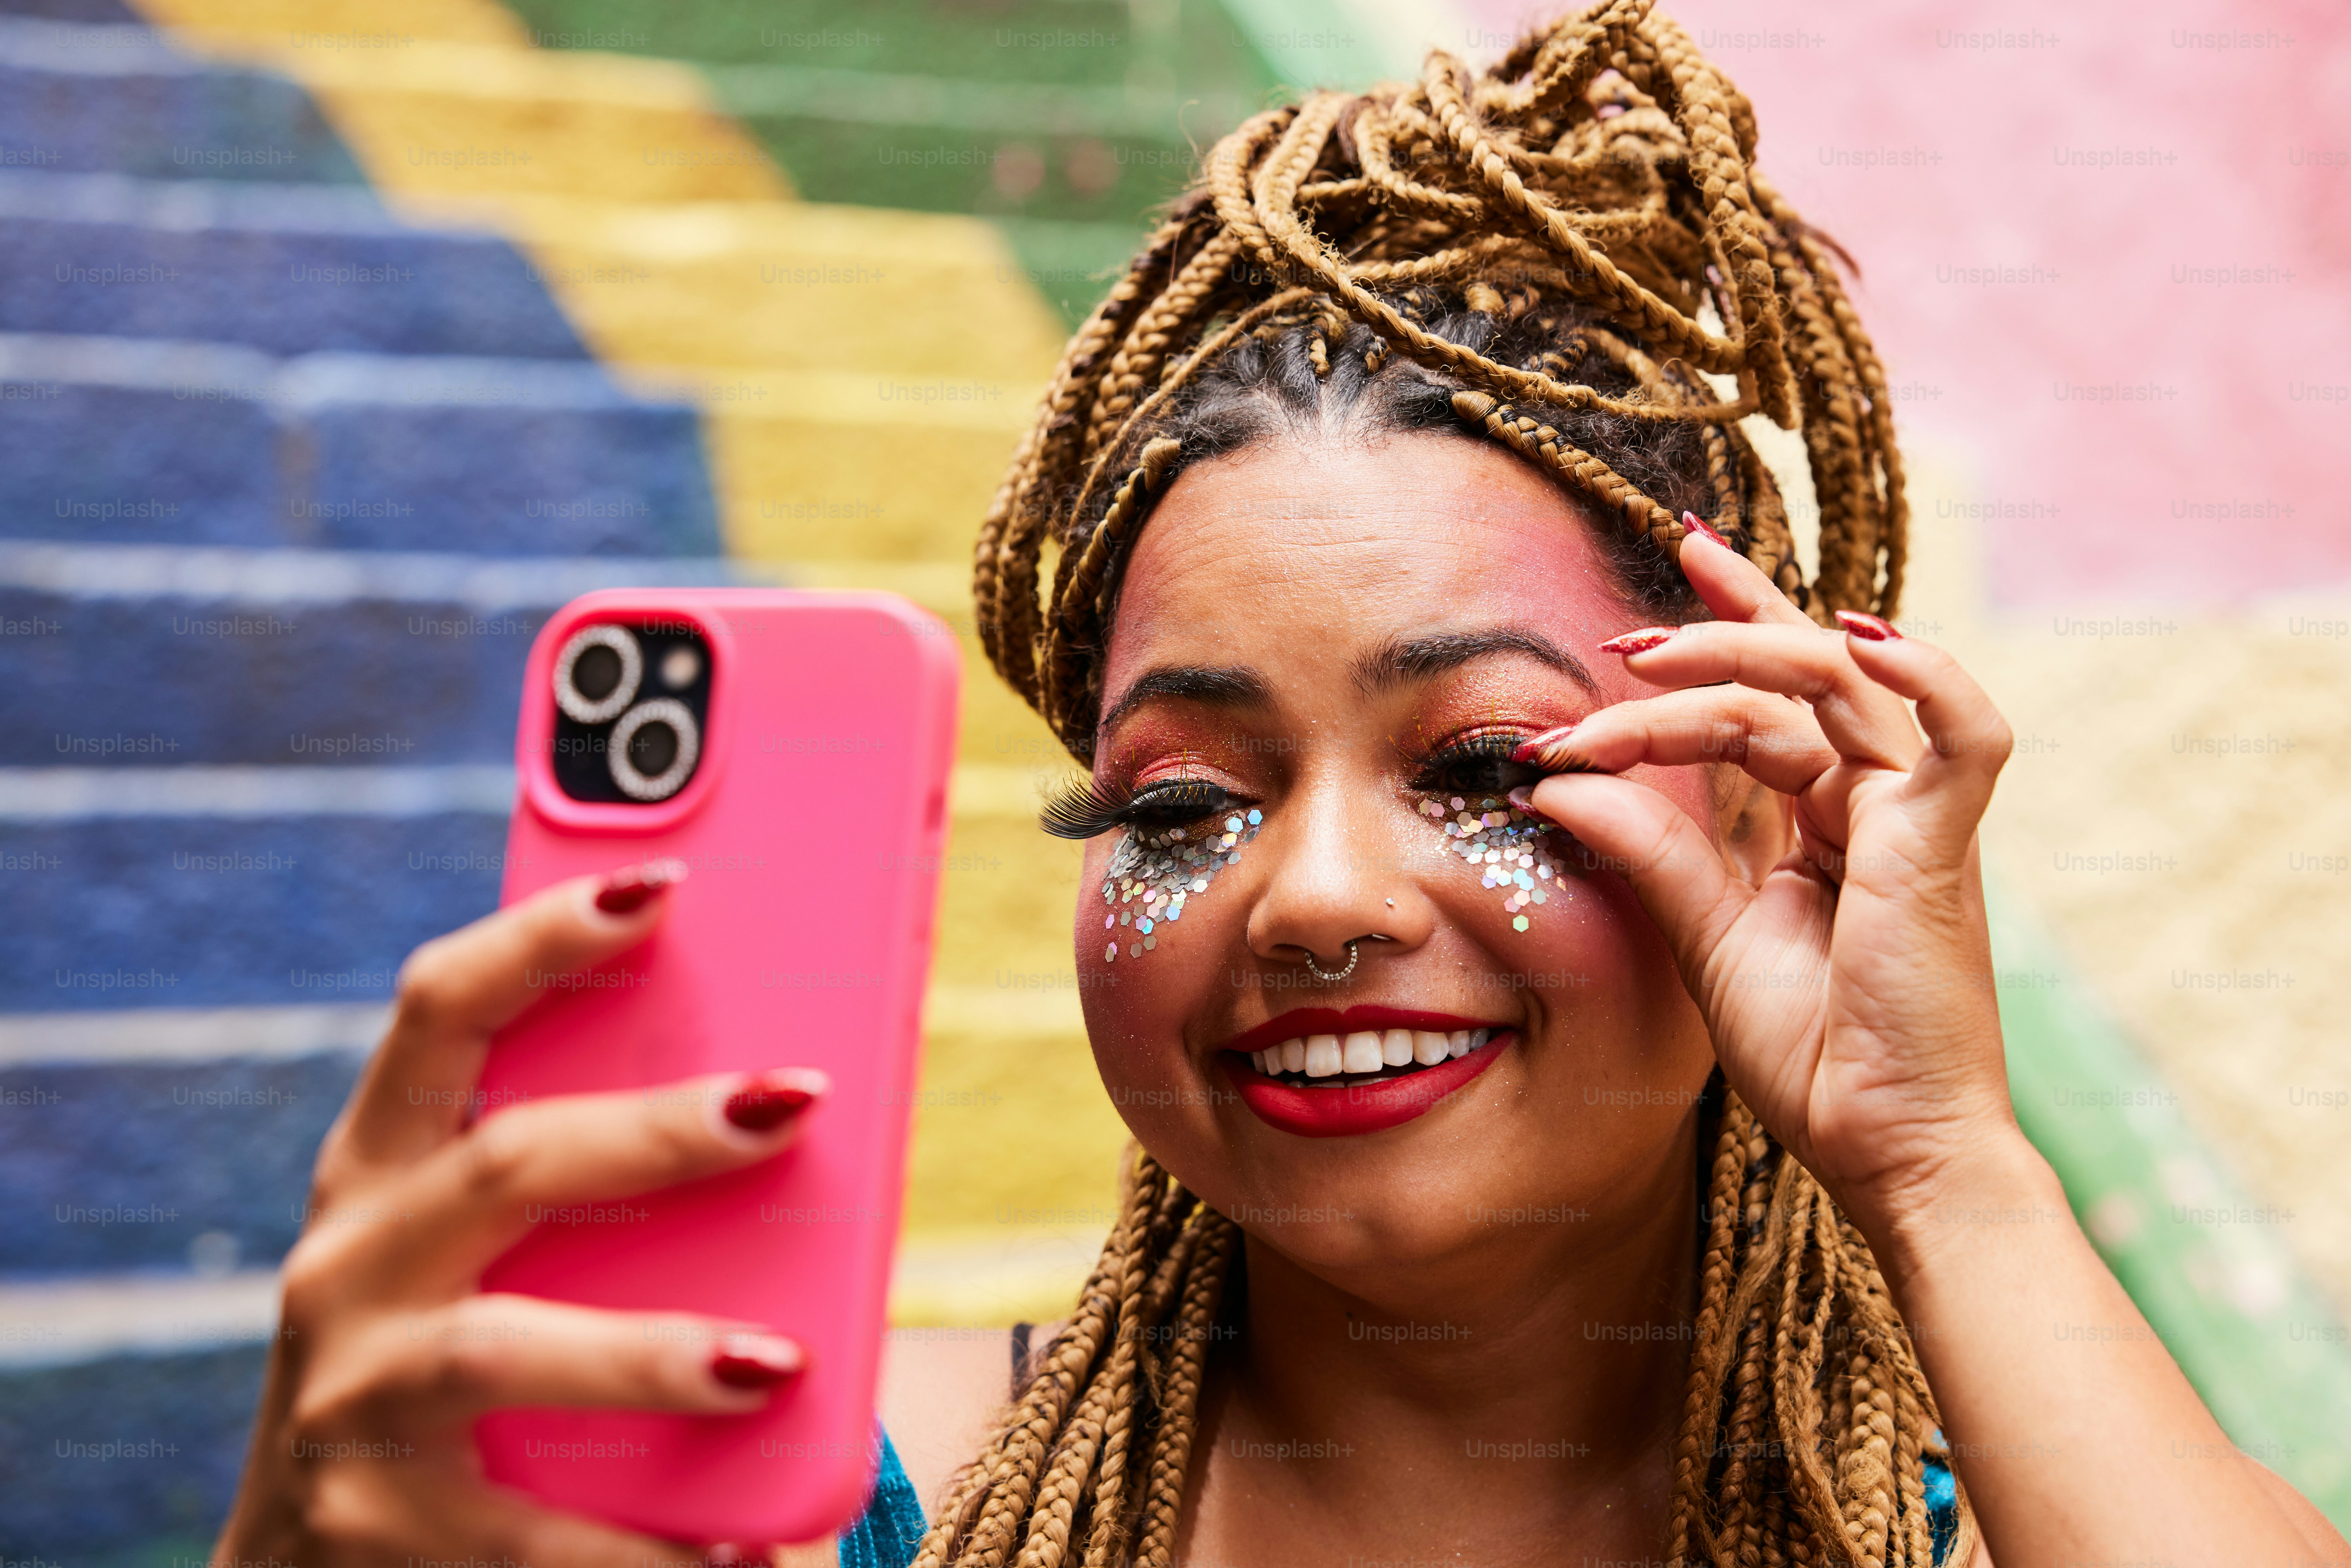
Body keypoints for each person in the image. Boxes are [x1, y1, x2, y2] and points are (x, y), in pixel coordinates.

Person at [212, 4, 2351, 1565]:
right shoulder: (831, 1502)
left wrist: (1946, 1155)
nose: (1311, 894)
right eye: (1178, 801)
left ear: (1751, 808)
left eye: (1486, 760)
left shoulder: (2011, 1525)